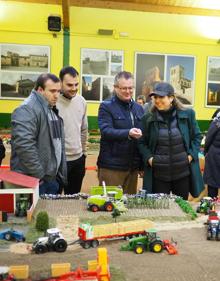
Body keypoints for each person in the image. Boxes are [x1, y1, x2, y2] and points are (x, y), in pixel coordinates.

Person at [138, 81, 204, 199]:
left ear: (171, 98)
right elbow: (141, 142)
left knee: (182, 208)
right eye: (155, 97)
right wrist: (150, 159)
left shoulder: (188, 114)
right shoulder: (147, 118)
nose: (157, 100)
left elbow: (197, 136)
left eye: (161, 97)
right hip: (159, 175)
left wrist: (190, 156)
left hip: (182, 173)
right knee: (160, 210)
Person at [10, 73, 67, 195]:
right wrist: (40, 176)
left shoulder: (50, 108)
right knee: (34, 214)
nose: (57, 95)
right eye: (52, 91)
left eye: (58, 91)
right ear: (40, 90)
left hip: (50, 179)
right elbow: (24, 145)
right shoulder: (27, 109)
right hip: (34, 181)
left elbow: (57, 144)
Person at [97, 71, 144, 194]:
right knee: (109, 205)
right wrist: (128, 133)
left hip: (132, 168)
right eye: (124, 88)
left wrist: (141, 165)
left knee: (128, 207)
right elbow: (106, 131)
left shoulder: (139, 109)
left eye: (130, 88)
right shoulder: (106, 107)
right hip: (112, 167)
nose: (128, 91)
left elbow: (142, 139)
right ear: (115, 88)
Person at [57, 66, 88, 194]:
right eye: (69, 85)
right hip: (58, 162)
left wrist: (83, 154)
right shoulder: (53, 102)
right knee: (53, 201)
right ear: (60, 83)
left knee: (73, 201)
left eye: (76, 84)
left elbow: (83, 130)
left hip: (78, 161)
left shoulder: (81, 101)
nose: (74, 88)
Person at [203, 112, 220, 197]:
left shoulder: (216, 122)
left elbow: (208, 139)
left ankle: (212, 205)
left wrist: (205, 152)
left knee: (213, 183)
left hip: (214, 156)